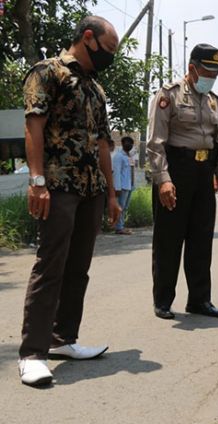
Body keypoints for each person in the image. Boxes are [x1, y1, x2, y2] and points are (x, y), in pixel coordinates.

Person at [18, 15, 120, 386]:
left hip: (91, 190)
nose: (110, 56)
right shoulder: (47, 72)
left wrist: (111, 194)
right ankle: (32, 353)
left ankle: (64, 339)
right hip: (57, 186)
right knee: (51, 267)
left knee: (78, 268)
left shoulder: (96, 88)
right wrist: (37, 182)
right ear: (87, 38)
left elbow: (103, 145)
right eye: (108, 49)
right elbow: (34, 127)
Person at [147, 43, 218, 320]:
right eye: (209, 71)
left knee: (201, 239)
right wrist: (163, 180)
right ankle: (163, 301)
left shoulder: (213, 100)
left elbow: (217, 142)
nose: (213, 77)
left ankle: (199, 300)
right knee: (168, 239)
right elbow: (156, 143)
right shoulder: (168, 95)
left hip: (203, 172)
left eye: (217, 73)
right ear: (192, 68)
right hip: (176, 171)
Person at [113, 136, 135, 235]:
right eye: (127, 142)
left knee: (125, 207)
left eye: (131, 143)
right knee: (120, 207)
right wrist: (117, 187)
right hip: (122, 186)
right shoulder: (118, 156)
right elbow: (116, 172)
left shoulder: (130, 156)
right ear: (122, 143)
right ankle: (119, 228)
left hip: (129, 185)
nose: (129, 144)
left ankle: (121, 226)